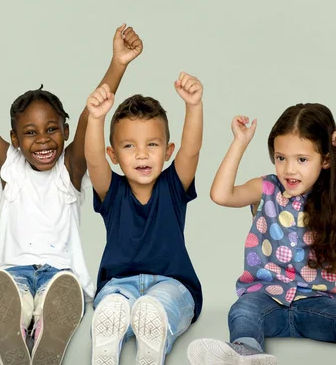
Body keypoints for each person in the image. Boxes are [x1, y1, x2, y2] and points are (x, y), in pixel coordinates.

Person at [0, 23, 142, 365]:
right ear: (15, 140)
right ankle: (13, 335)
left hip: (60, 276)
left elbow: (90, 114)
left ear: (64, 131)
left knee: (57, 297)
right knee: (11, 301)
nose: (43, 140)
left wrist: (118, 63)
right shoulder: (11, 168)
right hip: (12, 273)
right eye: (30, 133)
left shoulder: (70, 169)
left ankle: (48, 334)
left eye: (51, 130)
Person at [188, 104, 336, 365]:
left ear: (324, 159)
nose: (289, 169)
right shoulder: (267, 188)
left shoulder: (332, 197)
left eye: (302, 159)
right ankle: (246, 353)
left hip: (319, 304)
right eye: (281, 157)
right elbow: (221, 195)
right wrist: (240, 142)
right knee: (242, 312)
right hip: (268, 300)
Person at [86, 69, 204, 365]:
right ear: (113, 155)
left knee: (162, 304)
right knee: (113, 304)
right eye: (129, 146)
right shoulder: (111, 190)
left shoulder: (174, 186)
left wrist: (194, 106)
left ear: (167, 151)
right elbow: (92, 160)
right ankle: (106, 342)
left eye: (152, 144)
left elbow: (191, 151)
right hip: (118, 283)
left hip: (172, 282)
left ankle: (153, 339)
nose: (141, 154)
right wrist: (96, 118)